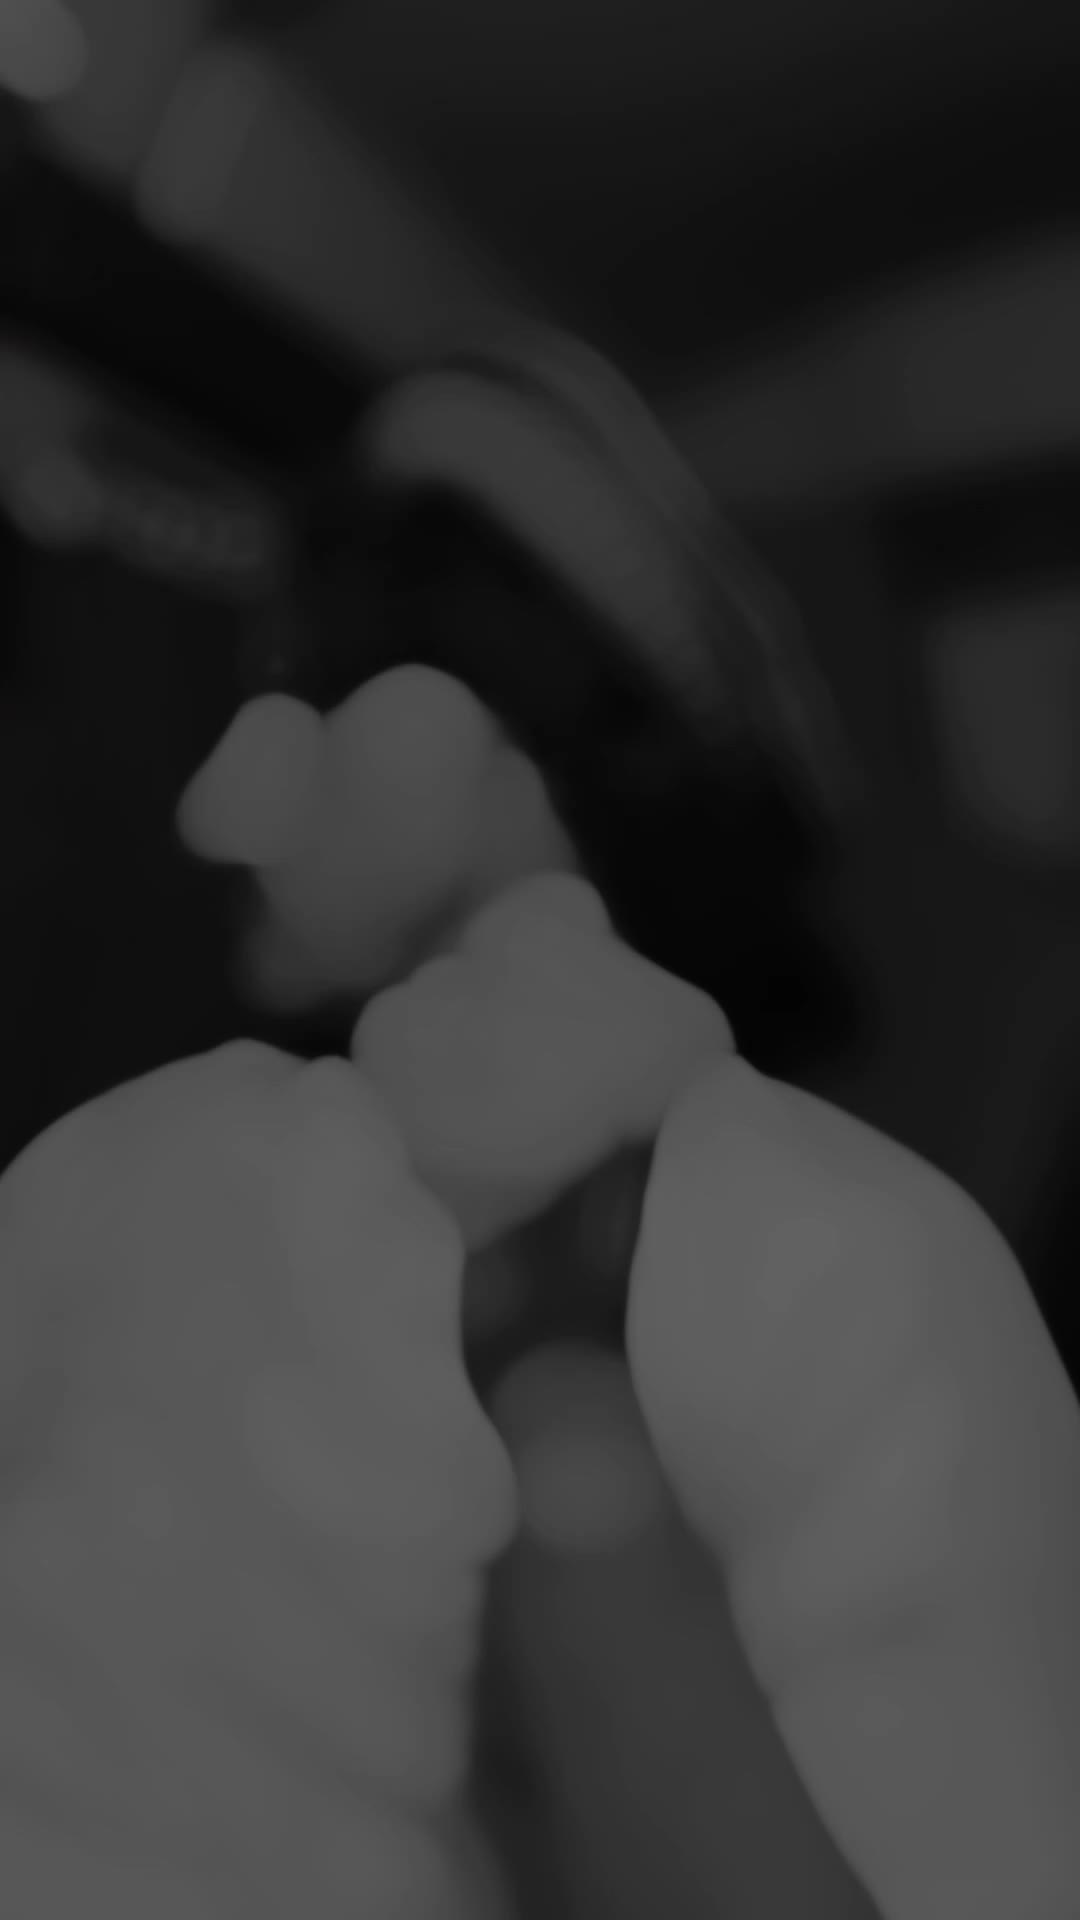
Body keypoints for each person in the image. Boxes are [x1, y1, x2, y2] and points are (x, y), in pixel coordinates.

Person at [1, 665, 1077, 1920]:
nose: (223, 802)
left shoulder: (826, 1256)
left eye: (336, 679)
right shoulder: (119, 1176)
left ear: (528, 748)